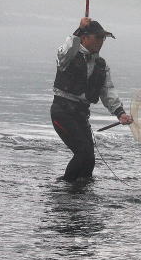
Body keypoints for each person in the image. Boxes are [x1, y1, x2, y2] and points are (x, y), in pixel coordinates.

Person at [50, 17, 132, 182]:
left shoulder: (101, 65)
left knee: (89, 160)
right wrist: (79, 29)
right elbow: (66, 50)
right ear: (84, 38)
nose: (101, 42)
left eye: (103, 38)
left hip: (81, 115)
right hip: (62, 112)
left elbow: (107, 91)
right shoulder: (68, 56)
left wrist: (120, 113)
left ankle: (81, 191)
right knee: (82, 152)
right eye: (97, 37)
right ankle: (64, 186)